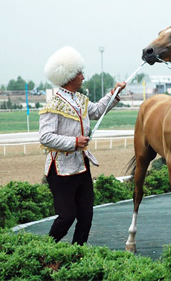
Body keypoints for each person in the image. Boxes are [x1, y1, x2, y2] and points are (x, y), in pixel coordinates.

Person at [39, 46, 126, 245]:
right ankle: (43, 251)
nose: (83, 77)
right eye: (80, 73)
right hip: (60, 171)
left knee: (86, 217)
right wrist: (74, 142)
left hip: (82, 166)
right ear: (69, 76)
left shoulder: (80, 100)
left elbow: (96, 111)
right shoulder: (53, 104)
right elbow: (45, 137)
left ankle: (78, 254)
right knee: (67, 216)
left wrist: (114, 93)